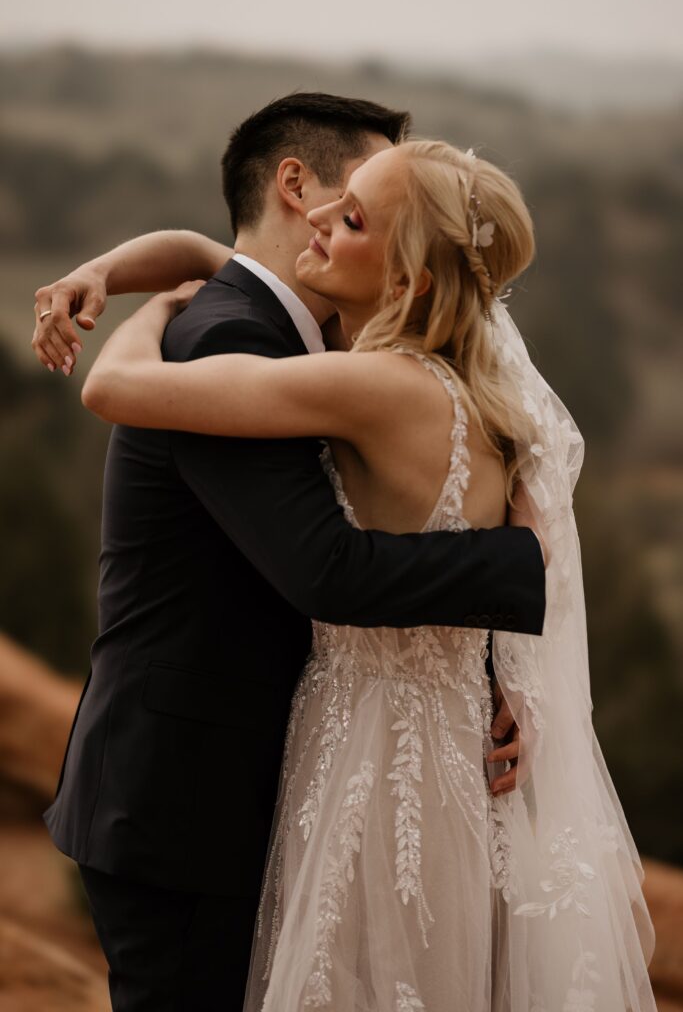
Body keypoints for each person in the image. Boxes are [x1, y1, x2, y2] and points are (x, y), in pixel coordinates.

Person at [76, 140, 656, 1010]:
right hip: (454, 754)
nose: (316, 220)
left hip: (367, 746)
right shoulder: (490, 396)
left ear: (409, 281)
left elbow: (115, 389)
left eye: (350, 218)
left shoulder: (367, 387)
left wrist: (156, 310)